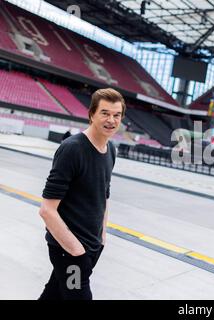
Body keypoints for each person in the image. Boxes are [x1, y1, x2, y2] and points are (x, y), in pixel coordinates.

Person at [38, 88, 125, 300]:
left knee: (54, 295)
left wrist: (102, 238)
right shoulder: (72, 149)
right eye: (105, 113)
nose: (111, 120)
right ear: (91, 114)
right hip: (69, 252)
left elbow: (104, 196)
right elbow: (47, 210)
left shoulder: (110, 150)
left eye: (117, 115)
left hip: (92, 248)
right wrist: (76, 251)